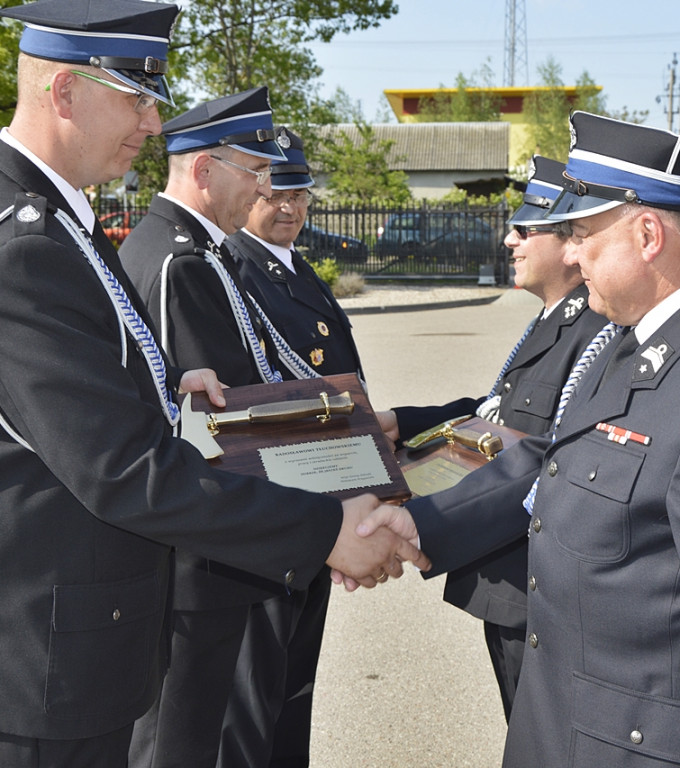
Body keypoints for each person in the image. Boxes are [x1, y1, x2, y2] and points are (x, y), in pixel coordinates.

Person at [0, 2, 425, 767]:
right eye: (134, 97)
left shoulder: (62, 221)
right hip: (44, 660)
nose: (153, 125)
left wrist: (165, 389)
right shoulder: (25, 240)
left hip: (81, 632)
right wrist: (326, 531)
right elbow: (120, 468)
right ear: (64, 92)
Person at [360, 112, 680, 767]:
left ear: (647, 234)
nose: (572, 251)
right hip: (566, 719)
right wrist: (416, 528)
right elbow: (548, 452)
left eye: (582, 232)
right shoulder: (633, 334)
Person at [118, 91, 331, 768]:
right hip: (202, 563)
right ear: (206, 171)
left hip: (220, 550)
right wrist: (342, 485)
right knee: (181, 745)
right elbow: (214, 431)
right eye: (255, 172)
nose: (268, 188)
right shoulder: (180, 261)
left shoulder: (198, 254)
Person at [377, 155, 609, 722]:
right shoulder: (558, 317)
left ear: (571, 241)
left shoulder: (595, 329)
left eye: (525, 229)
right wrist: (405, 424)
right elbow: (499, 415)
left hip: (541, 588)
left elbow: (542, 452)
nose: (509, 240)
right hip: (515, 582)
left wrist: (418, 524)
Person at [218, 126, 364, 768]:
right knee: (252, 698)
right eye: (277, 192)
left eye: (301, 193)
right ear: (250, 189)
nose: (291, 207)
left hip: (318, 504)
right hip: (273, 509)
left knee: (293, 687)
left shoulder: (296, 268)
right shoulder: (230, 268)